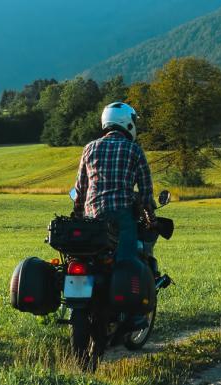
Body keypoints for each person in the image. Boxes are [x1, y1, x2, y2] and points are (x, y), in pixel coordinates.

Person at [73, 102, 155, 330]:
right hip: (121, 216)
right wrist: (150, 215)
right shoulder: (133, 150)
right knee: (127, 261)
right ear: (128, 123)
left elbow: (80, 189)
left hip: (93, 218)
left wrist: (79, 215)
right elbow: (146, 191)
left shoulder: (89, 148)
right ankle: (132, 315)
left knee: (90, 258)